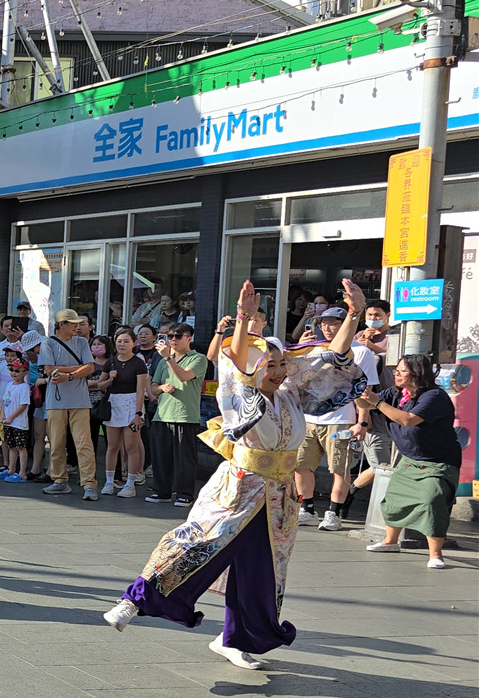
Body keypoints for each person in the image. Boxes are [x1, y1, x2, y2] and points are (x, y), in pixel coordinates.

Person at [103, 279, 370, 670]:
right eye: (269, 365)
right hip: (239, 487)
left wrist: (354, 314)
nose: (278, 371)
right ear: (253, 369)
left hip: (279, 496)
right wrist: (243, 318)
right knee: (202, 544)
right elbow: (236, 359)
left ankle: (234, 638)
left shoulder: (292, 395)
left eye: (281, 365)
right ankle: (134, 599)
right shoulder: (243, 395)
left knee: (261, 571)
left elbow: (334, 357)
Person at [361, 354, 458, 568]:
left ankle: (436, 554)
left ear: (417, 374)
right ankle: (390, 541)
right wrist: (358, 393)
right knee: (394, 500)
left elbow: (408, 420)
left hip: (438, 461)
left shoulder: (434, 396)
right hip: (410, 458)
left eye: (402, 371)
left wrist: (377, 402)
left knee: (431, 502)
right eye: (396, 370)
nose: (396, 374)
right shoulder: (395, 393)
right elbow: (365, 404)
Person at [294, 306, 382, 531]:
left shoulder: (361, 352)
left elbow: (364, 390)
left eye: (333, 323)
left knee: (339, 468)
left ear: (347, 325)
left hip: (341, 419)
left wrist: (362, 421)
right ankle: (307, 509)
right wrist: (299, 349)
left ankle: (334, 513)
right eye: (323, 323)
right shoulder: (314, 348)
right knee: (301, 465)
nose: (327, 328)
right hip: (308, 418)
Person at [37, 309, 100, 499]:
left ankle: (89, 483)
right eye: (72, 323)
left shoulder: (81, 342)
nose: (77, 326)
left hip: (80, 400)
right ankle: (59, 480)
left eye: (78, 323)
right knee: (56, 442)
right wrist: (78, 369)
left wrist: (67, 374)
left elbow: (90, 367)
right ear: (61, 324)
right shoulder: (48, 343)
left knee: (84, 443)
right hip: (56, 401)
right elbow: (50, 370)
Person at [146, 323, 207, 506]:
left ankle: (185, 494)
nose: (173, 339)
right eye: (170, 336)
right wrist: (161, 387)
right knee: (161, 457)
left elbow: (183, 376)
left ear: (189, 338)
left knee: (184, 459)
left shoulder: (198, 358)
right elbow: (153, 387)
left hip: (185, 415)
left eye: (178, 336)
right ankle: (162, 491)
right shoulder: (163, 361)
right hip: (162, 415)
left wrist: (168, 358)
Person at [98, 327, 150, 499]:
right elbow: (99, 385)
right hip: (114, 403)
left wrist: (138, 413)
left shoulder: (138, 363)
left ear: (134, 343)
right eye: (119, 341)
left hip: (132, 404)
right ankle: (109, 481)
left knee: (131, 446)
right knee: (112, 446)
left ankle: (130, 483)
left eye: (126, 341)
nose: (122, 344)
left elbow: (140, 390)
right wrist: (110, 378)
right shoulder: (110, 362)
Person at [0, 353, 32, 483]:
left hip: (19, 423)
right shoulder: (9, 385)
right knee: (11, 446)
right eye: (12, 370)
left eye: (17, 371)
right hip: (9, 422)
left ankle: (22, 473)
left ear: (25, 372)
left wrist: (11, 417)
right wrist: (2, 415)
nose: (14, 373)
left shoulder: (24, 387)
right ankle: (11, 469)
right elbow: (4, 401)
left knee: (21, 447)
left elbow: (23, 405)